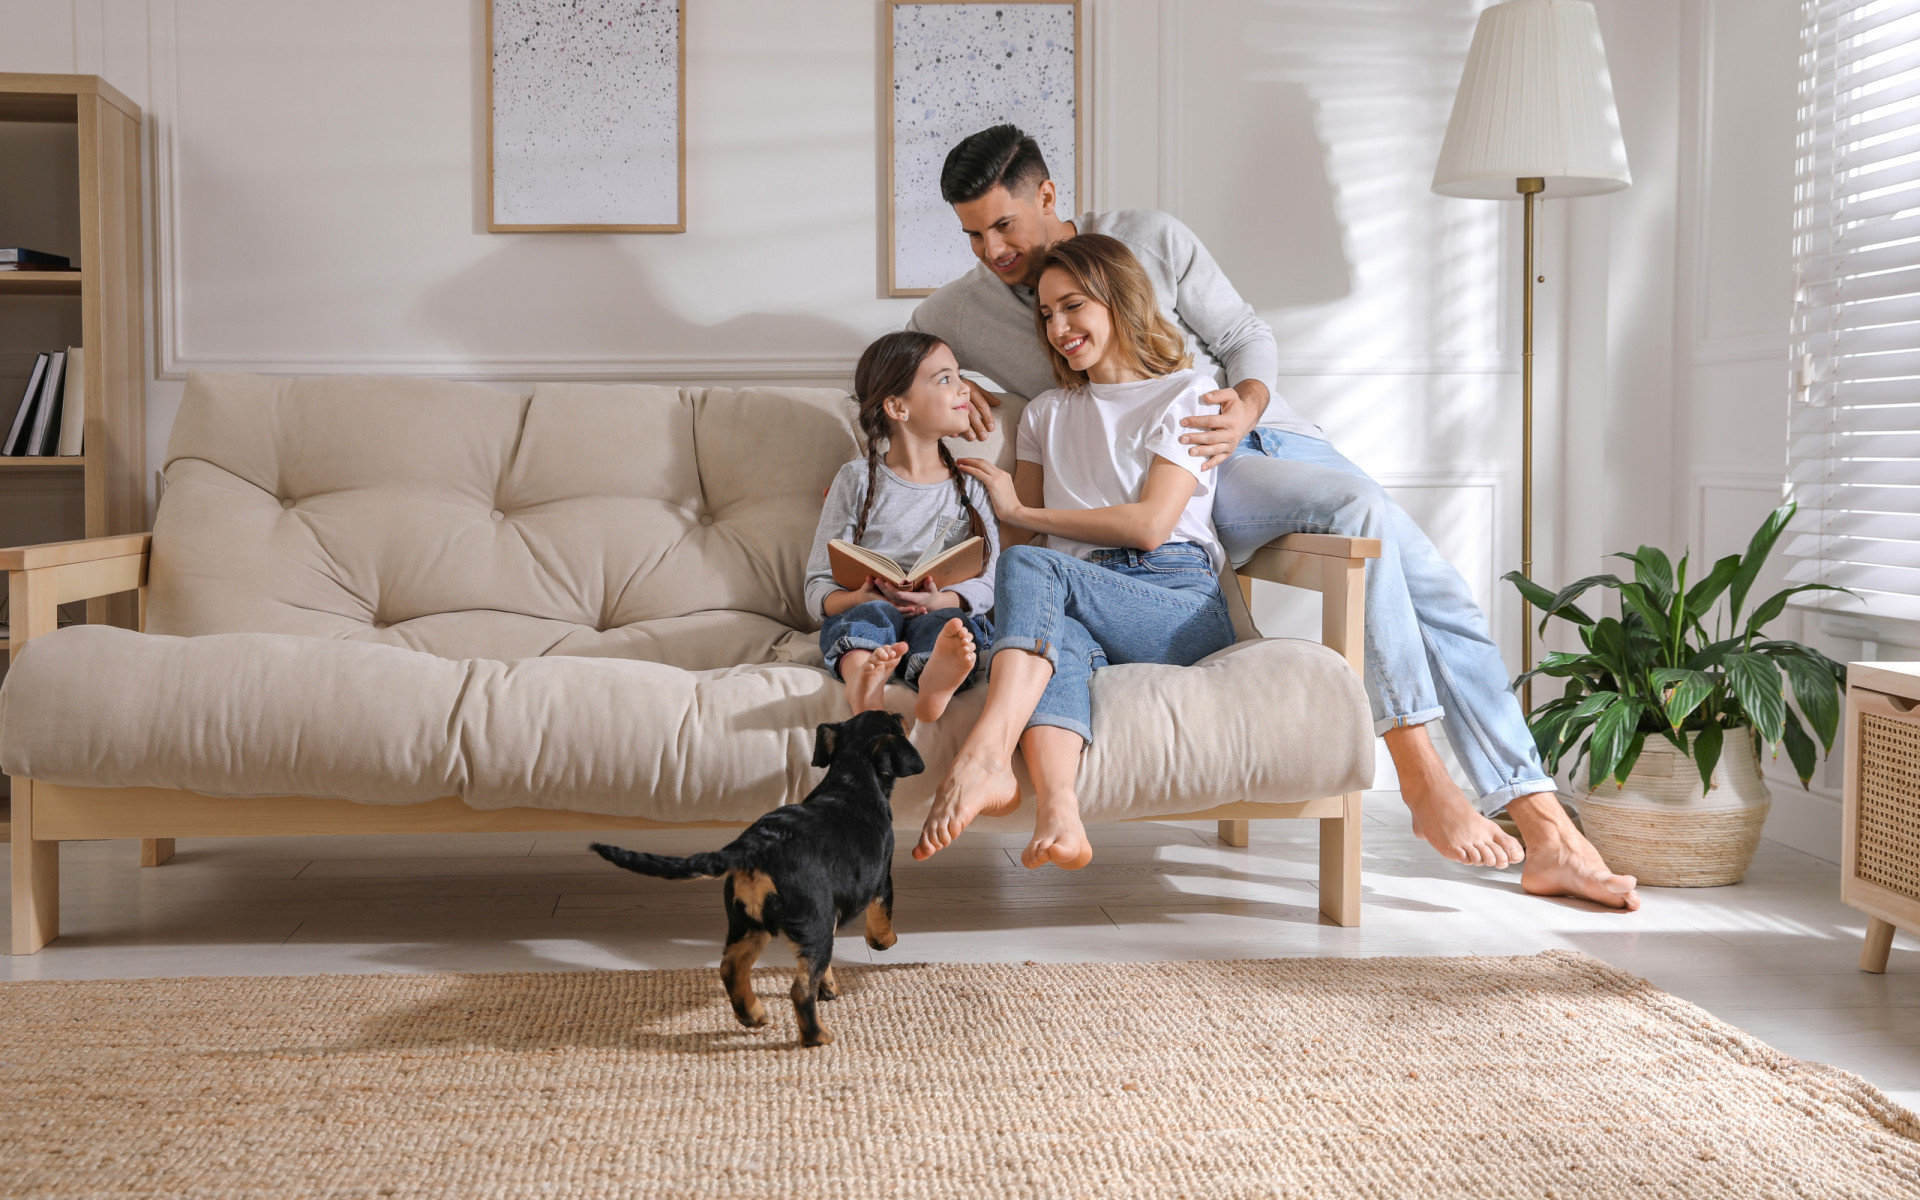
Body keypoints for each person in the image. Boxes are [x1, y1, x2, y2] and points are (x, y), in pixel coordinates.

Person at [907, 124, 1639, 911]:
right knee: (1368, 531)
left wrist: (1242, 405)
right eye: (972, 234)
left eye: (1003, 225)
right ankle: (1486, 806)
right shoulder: (968, 309)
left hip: (1250, 444)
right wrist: (945, 379)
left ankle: (1520, 814)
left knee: (1430, 585)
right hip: (1167, 485)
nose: (990, 250)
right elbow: (913, 347)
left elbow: (1244, 337)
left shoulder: (1150, 238)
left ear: (1047, 196)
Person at [913, 233, 1237, 873]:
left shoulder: (1188, 395)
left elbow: (1149, 526)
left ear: (1118, 300)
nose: (1058, 327)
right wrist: (936, 580)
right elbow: (1025, 543)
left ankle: (984, 755)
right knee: (1047, 628)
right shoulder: (1046, 413)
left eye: (1073, 306)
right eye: (1045, 314)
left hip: (1173, 602)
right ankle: (1059, 813)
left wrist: (1019, 513)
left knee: (1033, 570)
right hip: (1080, 596)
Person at [806, 332, 999, 724]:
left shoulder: (972, 487)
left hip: (937, 610)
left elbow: (991, 580)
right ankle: (864, 678)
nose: (965, 388)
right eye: (946, 379)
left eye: (959, 375)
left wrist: (941, 601)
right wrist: (855, 597)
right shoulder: (855, 480)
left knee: (952, 629)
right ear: (897, 406)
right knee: (869, 615)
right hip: (870, 608)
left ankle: (934, 684)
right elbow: (817, 584)